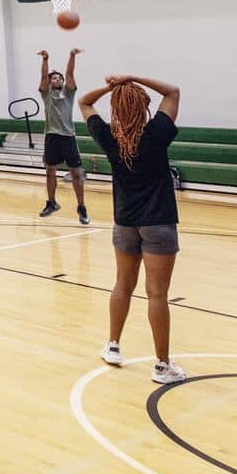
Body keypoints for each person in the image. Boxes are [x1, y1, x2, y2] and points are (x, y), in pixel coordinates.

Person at [78, 72, 185, 383]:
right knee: (156, 295)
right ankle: (163, 366)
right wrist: (132, 78)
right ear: (143, 107)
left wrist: (111, 87)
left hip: (124, 223)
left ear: (115, 109)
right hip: (159, 223)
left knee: (122, 285)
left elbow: (84, 102)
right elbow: (173, 90)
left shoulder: (109, 137)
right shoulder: (157, 133)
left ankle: (113, 345)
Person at [37, 48, 89, 225]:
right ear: (51, 82)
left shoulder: (68, 93)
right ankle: (51, 203)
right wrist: (45, 59)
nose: (57, 79)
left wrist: (72, 56)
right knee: (50, 171)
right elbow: (43, 78)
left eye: (59, 78)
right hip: (51, 137)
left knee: (76, 173)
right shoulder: (46, 94)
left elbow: (70, 73)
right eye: (54, 78)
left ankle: (81, 207)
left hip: (68, 137)